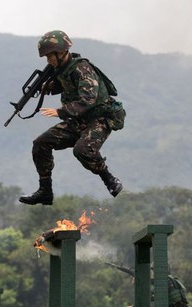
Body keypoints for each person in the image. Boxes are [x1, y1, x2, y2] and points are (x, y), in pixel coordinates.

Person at [19, 30, 124, 206]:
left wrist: (60, 112)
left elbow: (88, 100)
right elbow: (65, 85)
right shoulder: (61, 69)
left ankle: (110, 179)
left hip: (100, 118)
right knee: (40, 144)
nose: (48, 60)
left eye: (50, 56)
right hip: (78, 120)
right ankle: (45, 191)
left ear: (60, 52)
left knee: (82, 150)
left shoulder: (82, 68)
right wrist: (47, 87)